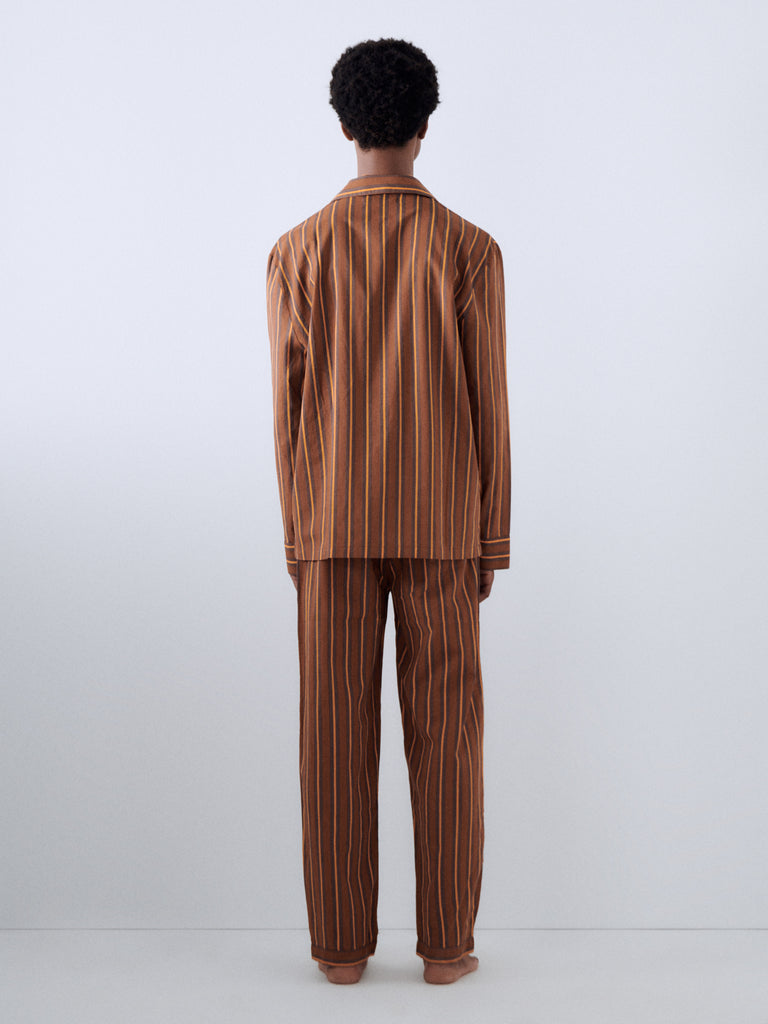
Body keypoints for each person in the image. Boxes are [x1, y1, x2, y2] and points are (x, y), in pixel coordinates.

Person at [266, 37, 511, 985]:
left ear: (344, 126)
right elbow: (489, 404)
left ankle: (339, 952)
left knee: (332, 738)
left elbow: (289, 411)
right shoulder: (470, 249)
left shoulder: (297, 251)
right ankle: (447, 949)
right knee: (449, 737)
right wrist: (491, 537)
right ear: (424, 126)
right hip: (444, 525)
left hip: (330, 525)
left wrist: (299, 534)